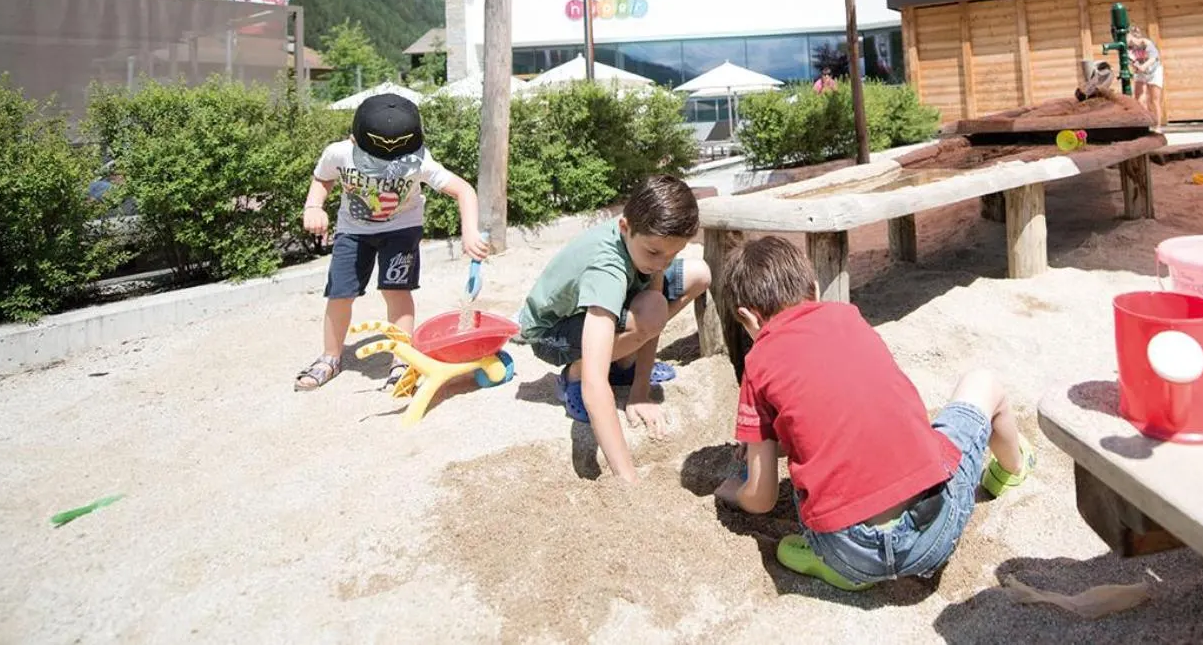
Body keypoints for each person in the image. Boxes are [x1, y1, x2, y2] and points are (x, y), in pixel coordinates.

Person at [713, 236, 1034, 591]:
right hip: (932, 534)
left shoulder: (757, 363)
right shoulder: (849, 317)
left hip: (846, 550)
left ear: (746, 316)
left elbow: (762, 499)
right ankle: (1011, 469)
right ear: (816, 290)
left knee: (806, 464)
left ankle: (836, 568)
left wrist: (733, 492)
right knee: (984, 382)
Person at [510, 174, 710, 482]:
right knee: (648, 314)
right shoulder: (607, 269)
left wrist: (640, 392)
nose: (663, 262)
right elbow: (595, 385)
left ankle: (624, 365)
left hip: (614, 301)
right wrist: (626, 479)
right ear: (625, 228)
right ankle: (571, 373)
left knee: (699, 275)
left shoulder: (651, 247)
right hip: (552, 332)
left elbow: (655, 290)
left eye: (673, 254)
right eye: (655, 253)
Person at [296, 94, 487, 391]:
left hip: (402, 229)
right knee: (340, 294)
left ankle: (402, 359)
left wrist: (470, 231)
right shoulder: (339, 153)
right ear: (353, 141)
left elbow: (463, 190)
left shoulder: (419, 160)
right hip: (353, 231)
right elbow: (322, 179)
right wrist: (313, 207)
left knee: (396, 291)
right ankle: (330, 357)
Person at [1126, 24, 1165, 127]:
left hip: (1154, 71)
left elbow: (1154, 58)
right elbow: (1132, 63)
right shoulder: (1128, 49)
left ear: (1131, 36)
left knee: (1154, 100)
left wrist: (1143, 66)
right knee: (1139, 99)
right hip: (1140, 73)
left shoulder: (1146, 43)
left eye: (1126, 36)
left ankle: (1157, 127)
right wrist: (1136, 66)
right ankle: (1145, 124)